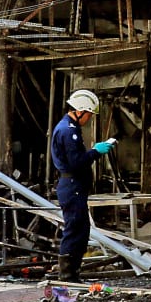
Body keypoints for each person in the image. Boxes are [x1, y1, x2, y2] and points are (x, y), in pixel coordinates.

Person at [50, 88, 112, 283]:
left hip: (73, 185)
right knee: (74, 229)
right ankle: (67, 275)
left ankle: (73, 273)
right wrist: (95, 152)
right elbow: (76, 162)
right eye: (89, 115)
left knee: (81, 230)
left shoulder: (68, 128)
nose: (89, 119)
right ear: (80, 111)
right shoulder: (69, 131)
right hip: (72, 185)